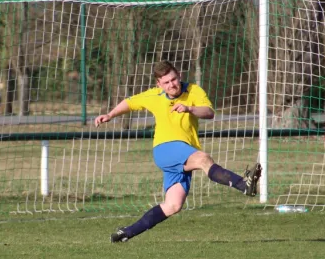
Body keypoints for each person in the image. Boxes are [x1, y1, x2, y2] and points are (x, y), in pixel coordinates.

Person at [94, 60, 262, 243]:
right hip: (165, 148)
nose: (171, 85)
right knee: (204, 159)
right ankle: (243, 184)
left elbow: (209, 112)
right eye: (166, 82)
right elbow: (130, 103)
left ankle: (127, 232)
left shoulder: (193, 91)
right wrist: (110, 115)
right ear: (159, 84)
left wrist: (189, 108)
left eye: (173, 79)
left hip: (184, 152)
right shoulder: (154, 95)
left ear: (179, 75)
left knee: (173, 205)